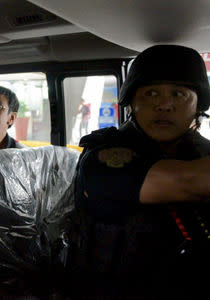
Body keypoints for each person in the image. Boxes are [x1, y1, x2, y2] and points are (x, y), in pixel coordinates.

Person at [70, 45, 210, 298]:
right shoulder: (101, 158)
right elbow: (187, 181)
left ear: (198, 104)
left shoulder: (202, 153)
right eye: (151, 93)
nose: (164, 104)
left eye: (179, 94)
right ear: (132, 102)